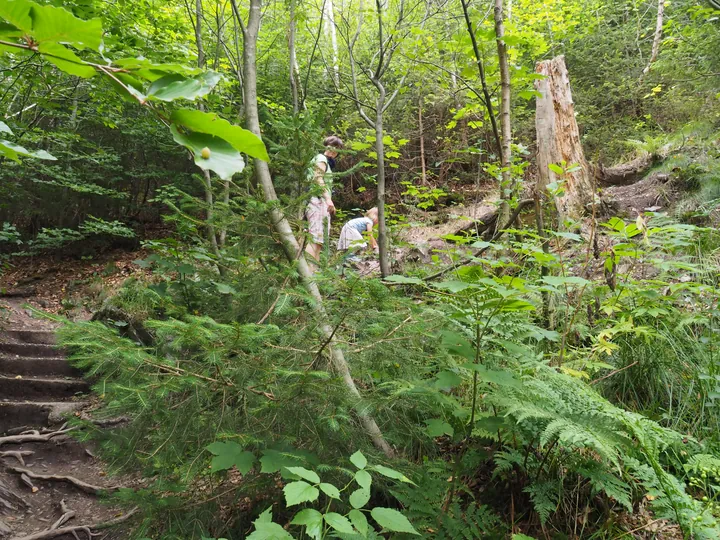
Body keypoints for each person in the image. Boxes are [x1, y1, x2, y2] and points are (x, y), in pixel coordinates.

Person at [305, 135, 344, 266]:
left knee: (319, 241)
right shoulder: (321, 158)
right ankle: (308, 275)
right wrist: (328, 199)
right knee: (314, 239)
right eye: (332, 147)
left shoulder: (327, 162)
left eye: (337, 148)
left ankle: (313, 275)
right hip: (318, 200)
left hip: (322, 203)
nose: (334, 151)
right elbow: (318, 178)